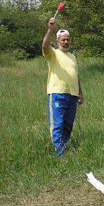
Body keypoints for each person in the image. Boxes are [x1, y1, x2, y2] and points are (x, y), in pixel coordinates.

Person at [42, 17, 84, 157]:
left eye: (67, 39)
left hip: (72, 95)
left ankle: (64, 148)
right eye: (63, 40)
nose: (65, 42)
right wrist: (50, 29)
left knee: (68, 125)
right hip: (57, 93)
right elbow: (44, 46)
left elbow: (76, 75)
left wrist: (80, 93)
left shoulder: (72, 56)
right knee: (57, 124)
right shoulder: (53, 53)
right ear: (58, 41)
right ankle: (59, 154)